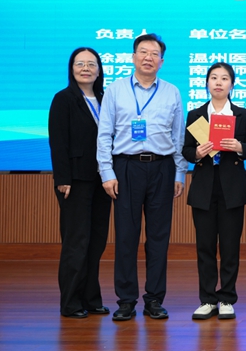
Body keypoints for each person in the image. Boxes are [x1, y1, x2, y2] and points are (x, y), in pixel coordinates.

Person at [97, 33, 188, 321]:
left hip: (162, 167)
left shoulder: (172, 92)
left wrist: (180, 172)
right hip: (125, 168)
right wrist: (106, 171)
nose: (148, 57)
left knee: (158, 237)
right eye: (143, 52)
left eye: (154, 53)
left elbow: (178, 135)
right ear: (133, 57)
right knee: (126, 236)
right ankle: (126, 300)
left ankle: (155, 299)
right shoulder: (115, 90)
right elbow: (104, 133)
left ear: (162, 61)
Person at [182, 63, 246, 320]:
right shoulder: (195, 115)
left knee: (229, 247)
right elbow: (186, 150)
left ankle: (226, 298)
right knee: (204, 247)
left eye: (224, 78)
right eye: (214, 78)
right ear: (206, 83)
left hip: (231, 188)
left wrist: (239, 147)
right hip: (204, 187)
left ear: (231, 85)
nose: (218, 82)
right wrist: (196, 153)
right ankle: (207, 299)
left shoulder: (243, 115)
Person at [48, 47, 112, 318]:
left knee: (96, 242)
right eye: (80, 63)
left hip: (102, 180)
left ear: (99, 70)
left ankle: (91, 298)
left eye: (91, 64)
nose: (86, 68)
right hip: (75, 181)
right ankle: (71, 302)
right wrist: (62, 178)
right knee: (76, 242)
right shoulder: (64, 99)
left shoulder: (106, 99)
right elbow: (58, 141)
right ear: (71, 68)